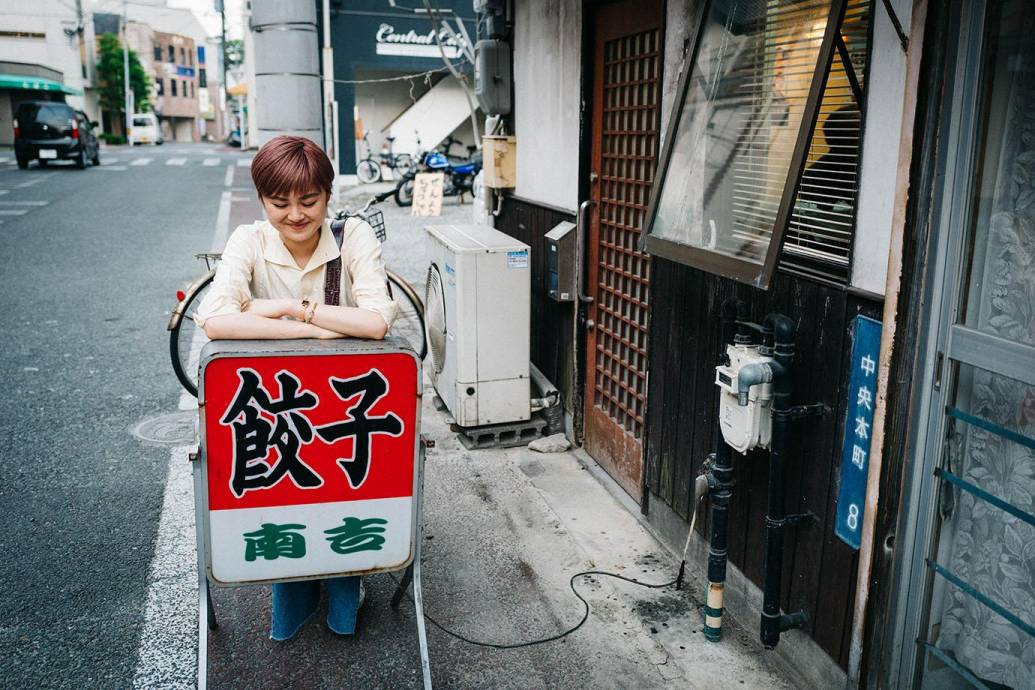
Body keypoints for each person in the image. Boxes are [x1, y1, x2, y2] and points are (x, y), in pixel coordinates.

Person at [194, 135, 397, 640]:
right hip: (273, 405)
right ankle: (295, 595)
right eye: (279, 202)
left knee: (348, 493)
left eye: (308, 201)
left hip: (348, 402)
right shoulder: (249, 240)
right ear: (262, 200)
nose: (295, 215)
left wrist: (282, 309)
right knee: (284, 494)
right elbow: (215, 320)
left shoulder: (353, 238)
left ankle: (345, 595)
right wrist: (311, 325)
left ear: (328, 195)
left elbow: (375, 322)